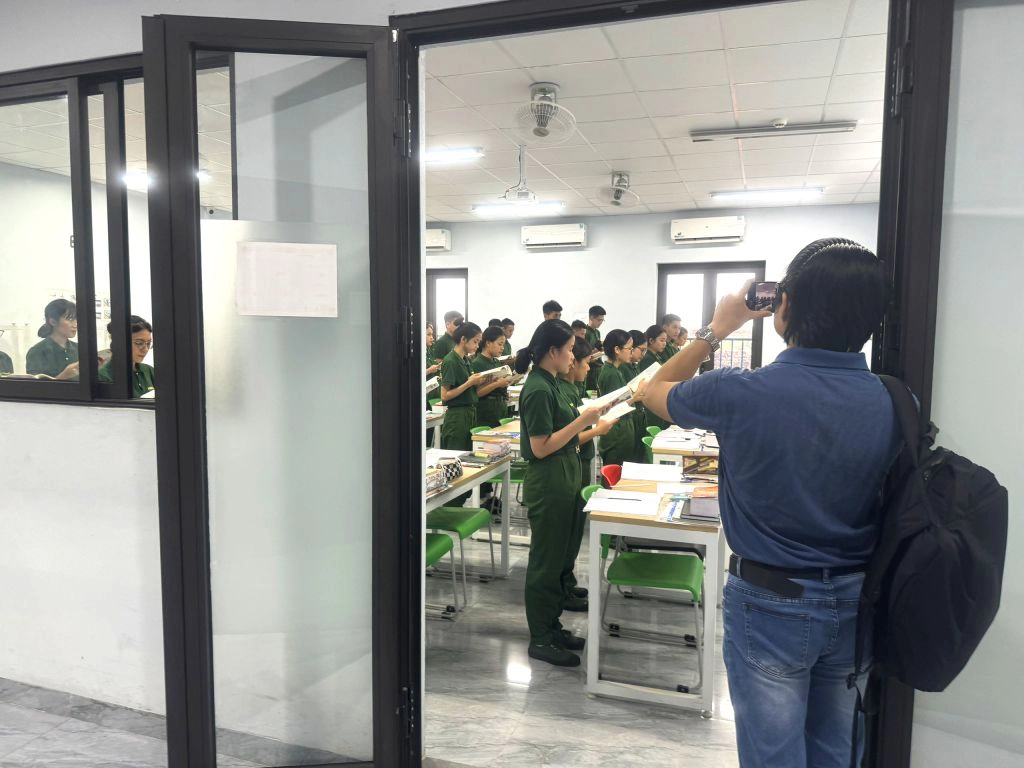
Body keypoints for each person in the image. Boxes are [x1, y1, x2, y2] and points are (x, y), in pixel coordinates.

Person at [641, 239, 897, 766]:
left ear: (785, 305)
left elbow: (653, 388)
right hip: (858, 597)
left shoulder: (740, 391)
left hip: (769, 599)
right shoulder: (897, 401)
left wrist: (717, 329)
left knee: (772, 753)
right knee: (838, 749)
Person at [516, 320, 605, 667]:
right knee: (546, 563)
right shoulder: (538, 388)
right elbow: (540, 447)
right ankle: (540, 638)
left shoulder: (551, 383)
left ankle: (552, 627)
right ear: (552, 351)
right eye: (569, 349)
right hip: (549, 480)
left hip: (565, 475)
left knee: (558, 561)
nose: (572, 356)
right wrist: (584, 422)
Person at [557, 337, 614, 609]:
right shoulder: (558, 390)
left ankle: (566, 582)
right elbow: (566, 438)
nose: (589, 368)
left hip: (580, 459)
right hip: (570, 462)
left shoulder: (571, 389)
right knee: (565, 532)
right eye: (585, 362)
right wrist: (597, 430)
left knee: (575, 528)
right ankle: (560, 589)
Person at [595, 329, 637, 468]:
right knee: (614, 474)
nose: (631, 352)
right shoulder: (611, 373)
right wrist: (636, 396)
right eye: (629, 349)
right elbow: (615, 408)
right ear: (617, 350)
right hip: (617, 435)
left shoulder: (615, 371)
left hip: (621, 432)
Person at [439, 321, 484, 452]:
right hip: (457, 416)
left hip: (470, 412)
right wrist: (469, 383)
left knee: (468, 455)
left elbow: (468, 386)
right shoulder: (450, 361)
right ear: (463, 339)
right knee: (456, 454)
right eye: (475, 341)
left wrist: (479, 382)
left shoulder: (465, 360)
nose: (477, 346)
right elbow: (445, 396)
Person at [98, 315, 155, 398]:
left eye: (149, 343)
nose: (145, 349)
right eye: (139, 343)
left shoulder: (149, 371)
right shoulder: (103, 377)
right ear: (120, 342)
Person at [25, 298, 80, 380]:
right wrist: (64, 375)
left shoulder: (79, 348)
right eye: (70, 319)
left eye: (76, 319)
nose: (75, 324)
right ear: (53, 322)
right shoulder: (37, 351)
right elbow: (35, 386)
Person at [472, 325, 513, 428]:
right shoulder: (477, 363)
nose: (502, 348)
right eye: (499, 344)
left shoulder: (496, 362)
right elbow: (476, 393)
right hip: (486, 411)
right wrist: (497, 384)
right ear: (488, 343)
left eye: (503, 345)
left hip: (500, 407)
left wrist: (508, 381)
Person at [640, 325, 671, 430]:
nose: (664, 343)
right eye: (661, 340)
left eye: (665, 340)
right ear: (651, 341)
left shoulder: (656, 355)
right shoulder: (647, 358)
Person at [584, 305, 605, 393]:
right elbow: (585, 354)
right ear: (591, 318)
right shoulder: (585, 332)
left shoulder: (597, 332)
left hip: (598, 368)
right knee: (592, 394)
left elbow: (597, 349)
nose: (601, 322)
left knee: (599, 393)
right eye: (599, 320)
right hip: (590, 370)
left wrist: (601, 349)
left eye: (602, 320)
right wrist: (596, 350)